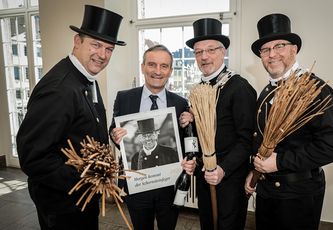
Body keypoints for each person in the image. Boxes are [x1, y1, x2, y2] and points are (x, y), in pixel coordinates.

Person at [16, 5, 125, 230]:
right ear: (77, 40)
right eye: (95, 44)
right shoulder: (59, 88)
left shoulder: (86, 78)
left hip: (82, 201)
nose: (102, 55)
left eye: (109, 48)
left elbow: (83, 131)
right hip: (63, 205)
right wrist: (88, 179)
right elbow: (33, 157)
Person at [244, 13, 333, 230]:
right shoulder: (265, 91)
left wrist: (280, 162)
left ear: (294, 49)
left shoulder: (314, 90)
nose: (272, 54)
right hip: (267, 193)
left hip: (298, 197)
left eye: (279, 46)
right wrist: (254, 174)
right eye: (265, 49)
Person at [181, 18, 257, 230]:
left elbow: (246, 140)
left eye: (211, 49)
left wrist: (223, 169)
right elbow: (199, 135)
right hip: (205, 176)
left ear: (223, 51)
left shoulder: (239, 88)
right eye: (198, 52)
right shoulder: (197, 90)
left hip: (230, 179)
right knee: (207, 224)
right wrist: (193, 155)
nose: (204, 57)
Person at [109, 44, 195, 230]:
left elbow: (188, 142)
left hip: (169, 185)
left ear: (170, 70)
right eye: (152, 64)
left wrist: (191, 123)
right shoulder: (124, 98)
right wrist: (115, 135)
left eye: (164, 66)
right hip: (137, 182)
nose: (157, 71)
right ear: (143, 67)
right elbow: (113, 129)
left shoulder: (181, 103)